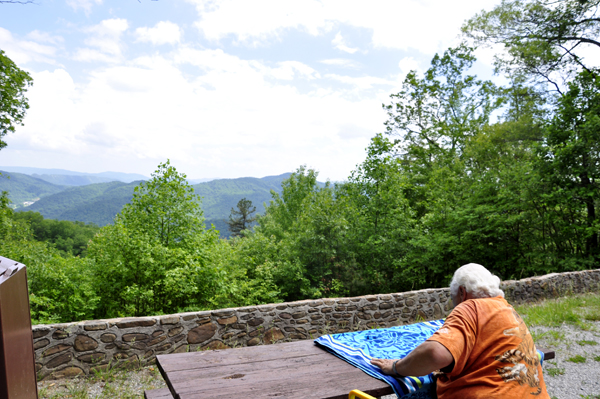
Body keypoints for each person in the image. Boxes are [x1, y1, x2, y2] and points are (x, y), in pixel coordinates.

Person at [370, 263, 550, 398]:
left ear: (462, 292)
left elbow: (435, 354)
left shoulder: (470, 307)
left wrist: (397, 367)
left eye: (453, 297)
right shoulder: (507, 309)